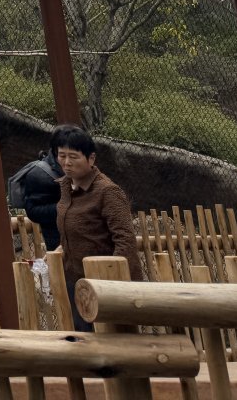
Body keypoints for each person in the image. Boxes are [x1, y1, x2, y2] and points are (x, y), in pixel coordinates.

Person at [54, 125, 140, 332]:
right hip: (76, 281)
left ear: (91, 159)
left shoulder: (107, 191)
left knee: (112, 341)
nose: (66, 162)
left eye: (73, 156)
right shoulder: (66, 187)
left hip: (106, 285)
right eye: (61, 155)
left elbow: (125, 240)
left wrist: (112, 284)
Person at [15, 124, 72, 250]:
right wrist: (66, 207)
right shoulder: (39, 174)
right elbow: (33, 211)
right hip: (58, 239)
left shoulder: (81, 166)